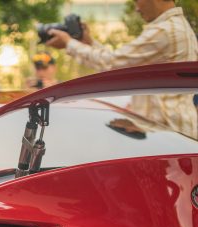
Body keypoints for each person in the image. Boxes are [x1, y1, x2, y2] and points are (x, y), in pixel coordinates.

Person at [46, 0, 198, 138]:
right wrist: (89, 43)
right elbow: (123, 63)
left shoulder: (165, 31)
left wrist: (69, 43)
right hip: (177, 132)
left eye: (137, 1)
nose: (137, 8)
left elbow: (112, 64)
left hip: (167, 136)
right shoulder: (180, 27)